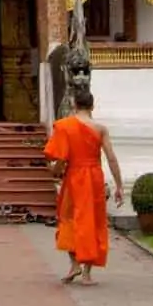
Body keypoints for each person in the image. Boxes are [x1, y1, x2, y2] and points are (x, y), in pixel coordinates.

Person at [43, 87, 123, 286]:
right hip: (94, 176)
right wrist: (119, 185)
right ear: (93, 106)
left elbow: (60, 159)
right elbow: (111, 158)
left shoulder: (64, 126)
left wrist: (53, 171)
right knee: (93, 221)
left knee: (69, 219)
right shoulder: (100, 128)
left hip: (74, 177)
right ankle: (87, 273)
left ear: (74, 105)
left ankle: (74, 264)